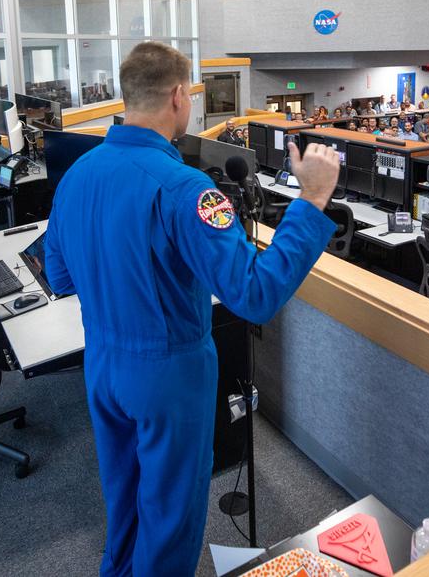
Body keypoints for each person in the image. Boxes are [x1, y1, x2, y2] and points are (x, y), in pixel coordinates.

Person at [42, 43, 339, 577]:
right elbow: (253, 295)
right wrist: (311, 203)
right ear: (179, 96)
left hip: (102, 365)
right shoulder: (185, 188)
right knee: (171, 521)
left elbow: (61, 277)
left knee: (127, 506)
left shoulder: (77, 176)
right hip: (168, 375)